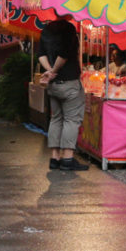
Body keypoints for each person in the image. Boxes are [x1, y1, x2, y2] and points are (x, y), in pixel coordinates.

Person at [38, 14, 87, 171]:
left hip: (53, 84)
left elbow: (41, 54)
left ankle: (54, 157)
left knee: (56, 119)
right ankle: (67, 158)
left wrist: (49, 71)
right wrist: (54, 70)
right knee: (71, 120)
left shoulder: (46, 29)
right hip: (69, 82)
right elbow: (64, 55)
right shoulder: (69, 28)